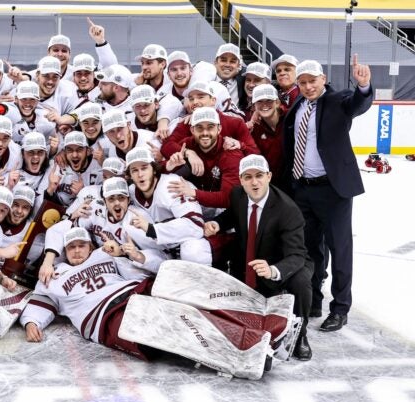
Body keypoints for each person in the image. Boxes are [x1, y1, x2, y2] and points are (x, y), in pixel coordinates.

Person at [22, 227, 297, 380]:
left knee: (177, 283)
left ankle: (262, 318)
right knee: (170, 321)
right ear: (64, 252)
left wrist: (135, 258)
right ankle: (244, 349)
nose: (78, 250)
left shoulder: (103, 256)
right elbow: (40, 304)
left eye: (82, 244)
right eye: (72, 247)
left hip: (133, 291)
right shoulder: (52, 276)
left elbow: (140, 272)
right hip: (107, 316)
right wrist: (32, 322)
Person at [281, 57, 373, 332]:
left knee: (339, 249)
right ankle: (314, 300)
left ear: (323, 79)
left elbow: (358, 103)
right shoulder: (298, 104)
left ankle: (341, 307)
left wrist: (364, 85)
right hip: (303, 189)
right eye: (303, 82)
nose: (308, 86)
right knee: (311, 250)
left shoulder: (338, 100)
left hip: (333, 190)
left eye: (313, 81)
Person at [204, 154, 313, 360]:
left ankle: (300, 336)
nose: (254, 182)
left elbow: (297, 254)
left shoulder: (288, 210)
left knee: (301, 281)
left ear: (269, 176)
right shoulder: (238, 195)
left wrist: (273, 270)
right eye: (248, 177)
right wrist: (217, 224)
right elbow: (231, 215)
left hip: (281, 263)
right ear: (241, 179)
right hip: (250, 261)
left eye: (259, 175)